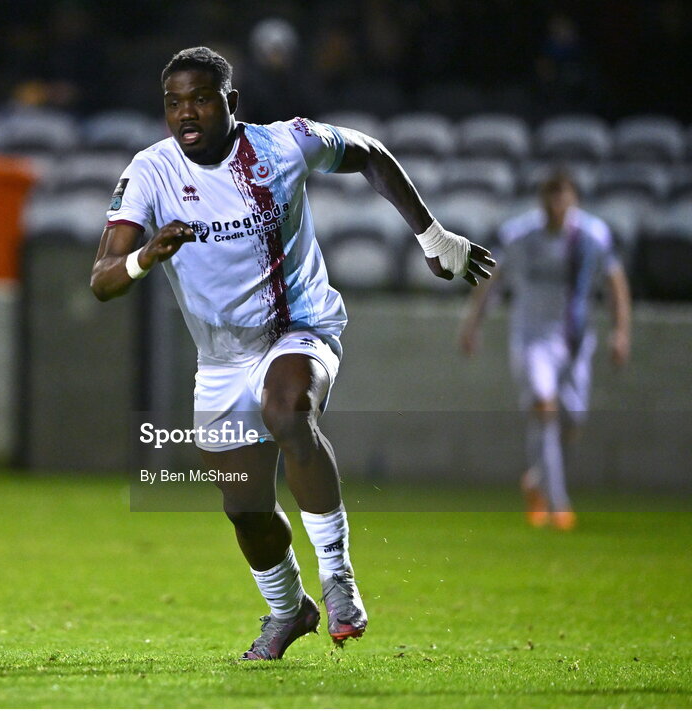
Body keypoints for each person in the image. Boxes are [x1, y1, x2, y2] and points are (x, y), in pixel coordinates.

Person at [90, 46, 494, 661]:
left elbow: (370, 155)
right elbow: (102, 279)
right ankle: (290, 611)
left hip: (299, 327)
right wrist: (146, 256)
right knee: (245, 509)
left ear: (231, 102)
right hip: (222, 357)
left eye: (200, 98)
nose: (186, 113)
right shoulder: (150, 172)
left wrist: (432, 236)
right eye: (173, 103)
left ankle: (338, 582)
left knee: (287, 411)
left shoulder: (285, 145)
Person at [459, 169, 631, 531]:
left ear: (574, 199)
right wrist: (473, 324)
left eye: (563, 195)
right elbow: (492, 278)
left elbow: (615, 282)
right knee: (543, 405)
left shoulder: (591, 237)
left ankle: (536, 481)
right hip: (532, 338)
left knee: (573, 420)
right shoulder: (520, 235)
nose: (557, 203)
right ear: (541, 200)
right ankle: (557, 505)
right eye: (550, 195)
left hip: (575, 339)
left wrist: (620, 332)